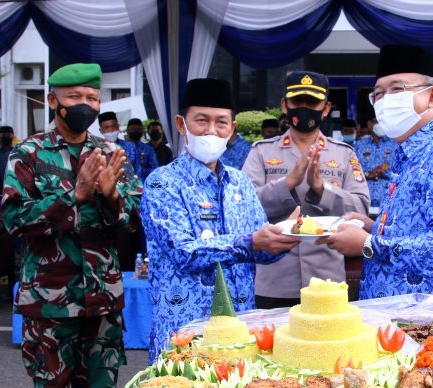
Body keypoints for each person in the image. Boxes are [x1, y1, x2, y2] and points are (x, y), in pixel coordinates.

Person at [1, 63, 142, 388]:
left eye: (92, 98)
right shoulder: (29, 154)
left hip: (102, 303)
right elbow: (13, 219)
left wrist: (112, 196)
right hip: (49, 303)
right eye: (75, 97)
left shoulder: (111, 153)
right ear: (53, 101)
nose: (85, 104)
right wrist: (73, 196)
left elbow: (132, 222)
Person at [318, 45, 433, 320]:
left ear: (432, 95)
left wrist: (369, 244)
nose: (385, 100)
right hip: (401, 325)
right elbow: (424, 229)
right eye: (378, 94)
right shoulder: (413, 152)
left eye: (397, 89)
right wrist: (374, 228)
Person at [140, 78, 299, 363]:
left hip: (239, 334)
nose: (212, 131)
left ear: (232, 129)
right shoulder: (162, 183)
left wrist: (285, 237)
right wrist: (249, 242)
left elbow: (257, 248)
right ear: (181, 124)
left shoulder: (240, 182)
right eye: (201, 121)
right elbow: (182, 252)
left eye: (221, 123)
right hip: (184, 336)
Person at [243, 71, 370, 308]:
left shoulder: (344, 153)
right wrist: (287, 184)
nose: (304, 108)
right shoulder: (261, 151)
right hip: (273, 278)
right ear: (284, 105)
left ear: (325, 108)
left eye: (312, 102)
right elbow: (242, 207)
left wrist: (322, 189)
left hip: (326, 279)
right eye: (297, 102)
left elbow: (361, 207)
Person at [353, 116, 398, 210]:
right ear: (370, 124)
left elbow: (401, 172)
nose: (381, 124)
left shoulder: (395, 145)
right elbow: (352, 170)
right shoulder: (359, 145)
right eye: (378, 121)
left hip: (387, 199)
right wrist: (367, 174)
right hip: (364, 199)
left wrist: (384, 172)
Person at [122, 118, 159, 183]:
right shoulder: (122, 148)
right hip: (127, 187)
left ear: (142, 130)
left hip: (145, 186)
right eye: (133, 129)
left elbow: (155, 169)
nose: (135, 131)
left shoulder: (148, 149)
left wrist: (141, 170)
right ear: (127, 130)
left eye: (138, 129)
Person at [0, 125, 15, 193]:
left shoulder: (16, 151)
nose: (6, 137)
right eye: (3, 135)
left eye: (8, 135)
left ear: (12, 136)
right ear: (0, 136)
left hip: (13, 183)